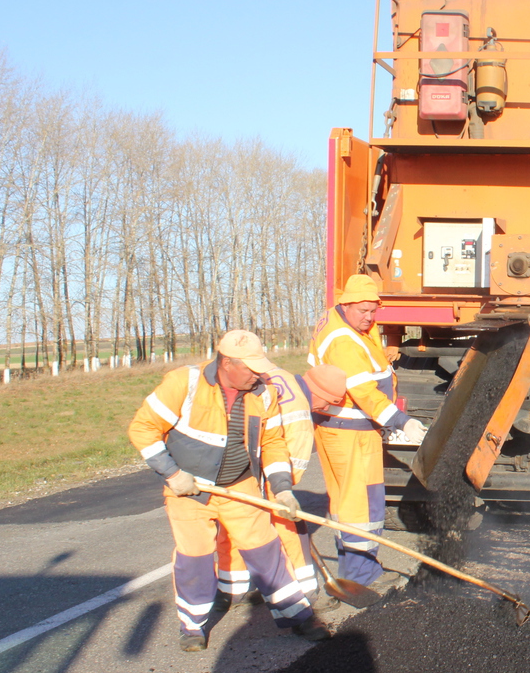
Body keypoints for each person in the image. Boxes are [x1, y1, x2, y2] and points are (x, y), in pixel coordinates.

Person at [128, 330, 331, 651]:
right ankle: (192, 627)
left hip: (240, 486)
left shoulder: (264, 393)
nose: (257, 375)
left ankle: (298, 615)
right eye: (250, 368)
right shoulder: (184, 383)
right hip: (189, 491)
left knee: (266, 552)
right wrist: (173, 474)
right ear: (226, 363)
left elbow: (273, 443)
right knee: (194, 558)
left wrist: (282, 489)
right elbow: (142, 428)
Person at [309, 275, 427, 588]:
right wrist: (401, 421)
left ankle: (357, 570)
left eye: (374, 311)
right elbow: (364, 392)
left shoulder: (345, 320)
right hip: (350, 432)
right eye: (363, 311)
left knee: (354, 503)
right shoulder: (342, 342)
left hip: (350, 429)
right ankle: (360, 577)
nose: (370, 317)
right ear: (346, 304)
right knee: (360, 506)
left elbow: (369, 354)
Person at [213, 363, 349, 613]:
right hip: (262, 473)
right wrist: (281, 492)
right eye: (328, 403)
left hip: (232, 464)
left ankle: (232, 590)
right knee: (290, 528)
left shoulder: (281, 376)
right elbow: (290, 470)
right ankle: (304, 592)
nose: (325, 410)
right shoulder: (301, 417)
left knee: (232, 526)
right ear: (318, 393)